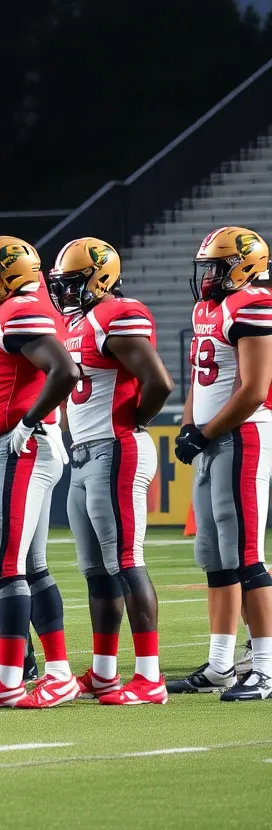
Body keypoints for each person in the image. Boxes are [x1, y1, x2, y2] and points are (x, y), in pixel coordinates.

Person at [0, 236, 79, 709]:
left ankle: (10, 677)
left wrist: (27, 424)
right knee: (28, 566)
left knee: (6, 566)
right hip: (0, 449)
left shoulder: (20, 310)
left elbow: (64, 371)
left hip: (21, 450)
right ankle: (59, 674)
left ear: (12, 276)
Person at [48, 237, 172, 705]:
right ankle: (103, 673)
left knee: (126, 561)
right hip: (86, 454)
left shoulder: (115, 314)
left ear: (100, 278)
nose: (63, 292)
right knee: (96, 571)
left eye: (72, 282)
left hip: (116, 449)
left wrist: (134, 421)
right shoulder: (78, 321)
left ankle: (150, 677)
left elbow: (159, 382)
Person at [171, 226, 272, 701]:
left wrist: (207, 431)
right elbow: (201, 378)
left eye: (217, 266)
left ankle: (267, 666)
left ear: (244, 266)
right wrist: (190, 426)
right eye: (206, 266)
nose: (208, 275)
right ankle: (220, 665)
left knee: (247, 556)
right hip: (214, 439)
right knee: (214, 558)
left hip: (245, 436)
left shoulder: (253, 303)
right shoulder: (207, 308)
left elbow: (253, 389)